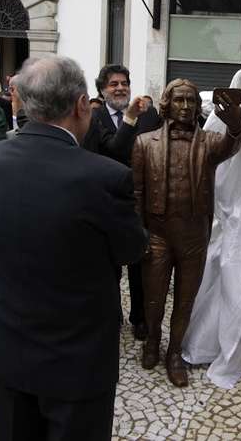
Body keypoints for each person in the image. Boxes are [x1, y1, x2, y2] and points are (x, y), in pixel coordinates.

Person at [0, 55, 147, 441]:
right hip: (77, 359)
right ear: (82, 105)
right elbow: (132, 249)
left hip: (10, 350)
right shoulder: (106, 178)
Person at [132, 78, 241, 387]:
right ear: (166, 104)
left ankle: (174, 353)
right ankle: (152, 340)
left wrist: (235, 125)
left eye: (191, 101)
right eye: (179, 100)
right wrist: (138, 234)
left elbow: (233, 143)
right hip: (157, 233)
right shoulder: (144, 142)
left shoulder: (209, 142)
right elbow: (137, 194)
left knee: (185, 300)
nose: (185, 106)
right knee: (153, 299)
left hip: (194, 234)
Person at [82, 64, 160, 341]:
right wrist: (129, 118)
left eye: (124, 83)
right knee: (109, 266)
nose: (120, 88)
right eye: (113, 84)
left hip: (141, 202)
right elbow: (114, 148)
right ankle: (111, 313)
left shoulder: (149, 115)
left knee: (139, 262)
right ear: (102, 91)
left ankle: (139, 318)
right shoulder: (94, 117)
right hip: (107, 202)